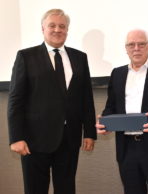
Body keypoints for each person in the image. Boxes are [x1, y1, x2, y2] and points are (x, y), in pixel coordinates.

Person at [7, 9, 96, 194]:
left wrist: (89, 132)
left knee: (66, 189)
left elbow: (86, 97)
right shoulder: (26, 56)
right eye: (52, 25)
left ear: (67, 30)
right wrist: (16, 137)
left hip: (70, 138)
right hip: (34, 140)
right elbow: (16, 100)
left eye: (62, 26)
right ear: (43, 28)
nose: (57, 30)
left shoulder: (80, 57)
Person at [96, 29, 148, 194]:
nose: (136, 48)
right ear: (126, 48)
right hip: (127, 148)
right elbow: (111, 106)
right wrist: (104, 121)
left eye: (141, 44)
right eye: (131, 45)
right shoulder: (117, 73)